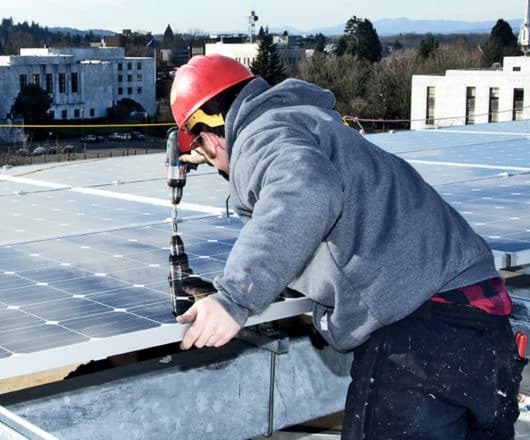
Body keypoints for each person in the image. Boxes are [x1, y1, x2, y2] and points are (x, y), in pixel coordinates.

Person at [170, 54, 524, 439]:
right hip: (484, 326)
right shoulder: (310, 122)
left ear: (209, 130)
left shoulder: (259, 134)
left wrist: (235, 297)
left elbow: (307, 192)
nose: (217, 165)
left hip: (421, 338)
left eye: (204, 151)